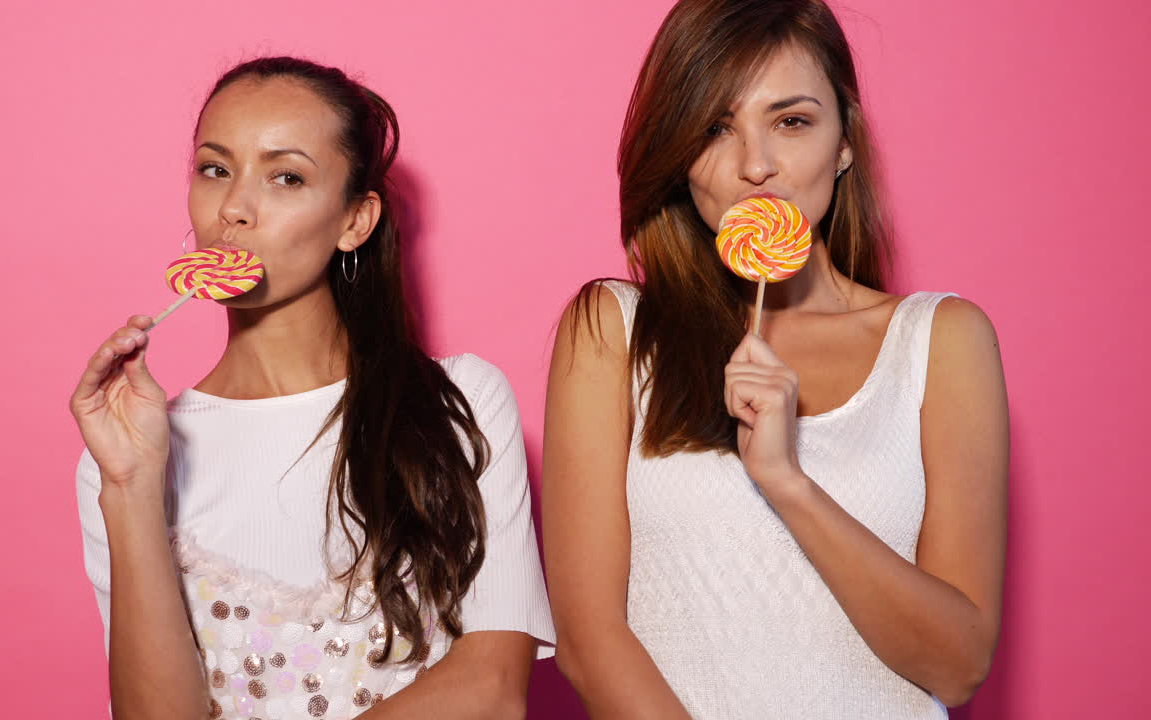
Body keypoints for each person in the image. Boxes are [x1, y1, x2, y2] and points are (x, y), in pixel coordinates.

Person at [542, 1, 1007, 717]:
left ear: (843, 141)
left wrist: (788, 481)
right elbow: (588, 640)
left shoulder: (940, 340)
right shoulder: (614, 330)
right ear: (676, 153)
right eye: (714, 128)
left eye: (792, 121)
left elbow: (957, 664)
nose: (756, 165)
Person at [71, 56, 553, 720]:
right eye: (215, 169)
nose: (233, 208)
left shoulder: (461, 402)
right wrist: (128, 486)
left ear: (355, 220)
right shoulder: (132, 451)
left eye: (285, 177)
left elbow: (494, 691)